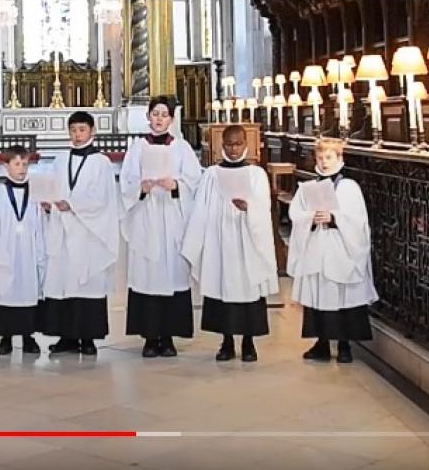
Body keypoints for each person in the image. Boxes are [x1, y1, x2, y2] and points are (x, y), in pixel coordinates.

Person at [183, 124, 278, 362]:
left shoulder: (256, 174)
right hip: (220, 239)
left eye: (238, 144)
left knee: (248, 287)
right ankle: (226, 342)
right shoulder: (212, 174)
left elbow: (264, 209)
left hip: (247, 239)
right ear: (221, 145)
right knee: (221, 286)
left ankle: (248, 342)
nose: (233, 150)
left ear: (246, 144)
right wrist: (196, 241)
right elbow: (201, 209)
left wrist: (250, 209)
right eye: (228, 144)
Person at [120, 97, 201, 358]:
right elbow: (127, 180)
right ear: (148, 116)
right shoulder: (137, 148)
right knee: (148, 274)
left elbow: (194, 180)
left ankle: (168, 337)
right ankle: (149, 336)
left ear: (171, 120)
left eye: (164, 115)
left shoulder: (182, 148)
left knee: (172, 274)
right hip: (146, 216)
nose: (158, 119)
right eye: (155, 114)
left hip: (172, 217)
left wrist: (176, 185)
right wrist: (139, 188)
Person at [288, 137, 377, 364]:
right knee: (319, 295)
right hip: (318, 246)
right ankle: (322, 343)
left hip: (340, 249)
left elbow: (358, 221)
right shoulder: (310, 186)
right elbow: (296, 213)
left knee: (341, 296)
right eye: (320, 157)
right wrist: (311, 218)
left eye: (329, 157)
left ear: (339, 158)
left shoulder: (348, 187)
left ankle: (345, 345)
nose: (324, 162)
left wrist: (335, 218)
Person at [40, 111, 118, 357]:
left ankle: (88, 337)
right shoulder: (60, 160)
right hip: (63, 228)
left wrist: (73, 205)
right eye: (73, 130)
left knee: (87, 282)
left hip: (88, 231)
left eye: (82, 130)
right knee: (63, 281)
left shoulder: (102, 163)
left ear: (92, 132)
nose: (77, 135)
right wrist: (48, 204)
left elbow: (102, 197)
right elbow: (52, 186)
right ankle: (66, 336)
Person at [0, 145, 45, 357]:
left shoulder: (36, 192)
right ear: (6, 166)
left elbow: (43, 222)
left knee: (28, 290)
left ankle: (28, 337)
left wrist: (47, 213)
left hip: (28, 250)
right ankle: (5, 337)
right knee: (5, 290)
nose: (22, 169)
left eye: (25, 164)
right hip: (5, 251)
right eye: (16, 164)